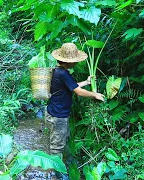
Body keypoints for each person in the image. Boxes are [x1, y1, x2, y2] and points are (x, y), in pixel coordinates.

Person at [45, 43, 104, 178]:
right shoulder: (64, 74)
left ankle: (64, 165)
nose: (76, 63)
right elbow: (78, 92)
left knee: (61, 140)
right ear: (69, 62)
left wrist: (87, 82)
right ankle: (58, 174)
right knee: (56, 147)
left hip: (53, 112)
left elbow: (71, 86)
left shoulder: (57, 71)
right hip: (58, 115)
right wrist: (94, 94)